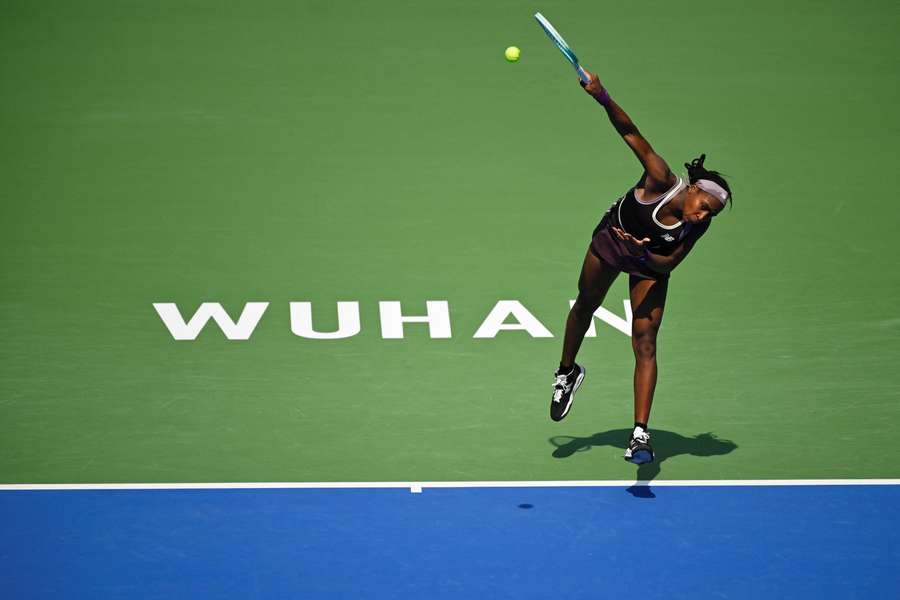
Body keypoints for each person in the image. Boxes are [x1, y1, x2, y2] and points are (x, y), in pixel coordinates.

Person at [549, 68, 732, 465]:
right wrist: (602, 96)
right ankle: (566, 372)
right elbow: (629, 132)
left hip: (650, 264)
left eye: (711, 214)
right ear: (694, 189)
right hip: (612, 239)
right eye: (704, 206)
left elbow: (669, 261)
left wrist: (643, 254)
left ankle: (639, 435)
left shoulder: (696, 228)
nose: (703, 216)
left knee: (646, 341)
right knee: (585, 304)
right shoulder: (660, 179)